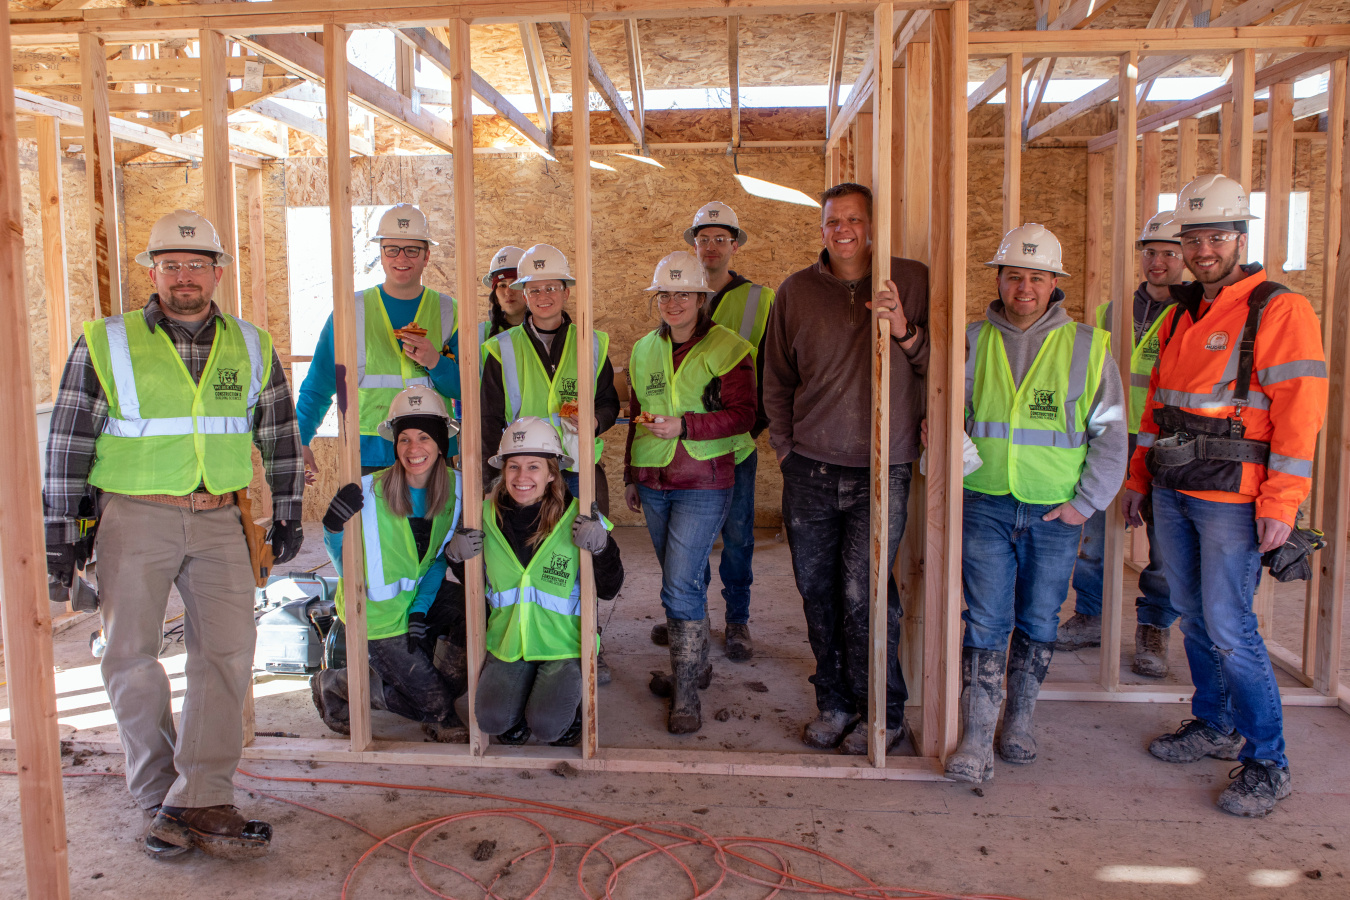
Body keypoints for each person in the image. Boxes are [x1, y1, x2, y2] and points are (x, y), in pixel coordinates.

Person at [42, 210, 304, 860]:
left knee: (227, 652)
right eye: (171, 265)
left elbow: (279, 432)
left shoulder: (249, 343)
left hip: (221, 514)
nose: (184, 276)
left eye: (196, 265)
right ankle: (161, 793)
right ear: (153, 272)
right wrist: (63, 533)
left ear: (217, 272)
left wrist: (290, 505)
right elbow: (69, 441)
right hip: (135, 513)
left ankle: (202, 794)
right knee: (129, 652)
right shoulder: (108, 341)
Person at [1124, 174, 1327, 817]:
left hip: (1234, 497)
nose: (1203, 249)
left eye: (1216, 236)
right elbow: (1160, 407)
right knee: (1191, 613)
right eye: (1193, 238)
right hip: (1174, 488)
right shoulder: (1183, 311)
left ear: (1240, 237)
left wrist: (1282, 502)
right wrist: (1137, 479)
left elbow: (1301, 414)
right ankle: (1215, 723)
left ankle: (1268, 760)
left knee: (1232, 627)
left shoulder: (1278, 308)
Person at [944, 223, 1127, 784]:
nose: (1025, 287)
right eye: (1014, 276)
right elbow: (946, 415)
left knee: (1040, 616)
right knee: (986, 618)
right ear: (998, 280)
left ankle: (1018, 721)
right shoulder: (971, 339)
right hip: (985, 503)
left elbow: (1112, 434)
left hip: (1055, 510)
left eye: (1037, 277)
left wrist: (1086, 503)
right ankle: (976, 735)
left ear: (1055, 284)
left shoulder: (1088, 347)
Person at [762, 182, 926, 755]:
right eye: (833, 221)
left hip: (882, 472)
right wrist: (785, 447)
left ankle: (883, 711)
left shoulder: (913, 279)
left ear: (873, 224)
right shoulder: (796, 292)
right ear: (823, 228)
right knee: (816, 590)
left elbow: (945, 364)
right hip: (809, 470)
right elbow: (776, 380)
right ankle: (832, 702)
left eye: (854, 219)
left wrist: (905, 329)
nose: (844, 230)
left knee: (867, 593)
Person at [624, 251, 757, 734]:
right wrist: (629, 476)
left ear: (702, 298)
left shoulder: (729, 348)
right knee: (685, 577)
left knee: (678, 583)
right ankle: (695, 664)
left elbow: (744, 415)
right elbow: (638, 412)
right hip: (654, 480)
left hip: (705, 480)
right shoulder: (642, 350)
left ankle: (686, 696)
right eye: (665, 293)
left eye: (684, 293)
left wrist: (687, 425)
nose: (674, 302)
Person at [1057, 211, 1184, 679]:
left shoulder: (1191, 313)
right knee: (1095, 534)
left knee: (1165, 542)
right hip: (1112, 434)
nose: (1158, 262)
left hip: (1169, 440)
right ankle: (1092, 614)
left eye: (1170, 253)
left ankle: (1154, 626)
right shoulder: (1112, 312)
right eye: (1151, 252)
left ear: (1184, 257)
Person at [649, 202, 775, 662]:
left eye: (721, 238)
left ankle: (736, 620)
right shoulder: (675, 290)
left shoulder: (761, 299)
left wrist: (755, 424)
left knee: (739, 535)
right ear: (693, 245)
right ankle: (689, 616)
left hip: (734, 443)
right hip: (683, 449)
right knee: (688, 538)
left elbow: (773, 365)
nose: (711, 246)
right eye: (703, 238)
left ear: (735, 245)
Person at [309, 386, 471, 743]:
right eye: (404, 440)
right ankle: (338, 684)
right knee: (439, 710)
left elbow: (433, 562)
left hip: (414, 599)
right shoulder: (368, 492)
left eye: (424, 437)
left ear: (442, 442)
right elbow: (346, 564)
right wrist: (333, 528)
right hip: (376, 614)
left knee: (472, 612)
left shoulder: (457, 491)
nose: (414, 450)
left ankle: (420, 684)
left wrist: (419, 611)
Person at [451, 417, 624, 746]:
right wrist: (455, 557)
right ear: (503, 471)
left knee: (547, 726)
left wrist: (602, 547)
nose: (521, 477)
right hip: (509, 644)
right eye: (513, 466)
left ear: (551, 473)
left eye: (533, 466)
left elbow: (611, 587)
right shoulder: (483, 515)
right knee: (491, 719)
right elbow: (478, 586)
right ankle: (527, 691)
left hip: (562, 646)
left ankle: (561, 712)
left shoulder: (580, 518)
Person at [297, 203, 461, 479]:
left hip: (431, 447)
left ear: (426, 256)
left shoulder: (450, 311)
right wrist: (300, 439)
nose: (401, 257)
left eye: (412, 250)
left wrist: (435, 361)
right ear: (381, 253)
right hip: (369, 449)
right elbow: (318, 385)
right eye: (392, 249)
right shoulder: (351, 311)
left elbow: (467, 389)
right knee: (369, 523)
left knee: (433, 523)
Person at [480, 243, 620, 514]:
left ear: (565, 292)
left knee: (584, 546)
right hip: (526, 469)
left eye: (551, 288)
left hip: (577, 466)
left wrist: (595, 420)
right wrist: (491, 481)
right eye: (534, 290)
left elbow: (608, 402)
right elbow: (489, 420)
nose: (542, 296)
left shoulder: (591, 343)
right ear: (525, 295)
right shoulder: (502, 348)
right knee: (532, 543)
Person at [479, 245, 528, 344]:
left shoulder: (544, 332)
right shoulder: (480, 333)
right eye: (502, 285)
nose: (508, 292)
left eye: (514, 284)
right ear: (495, 295)